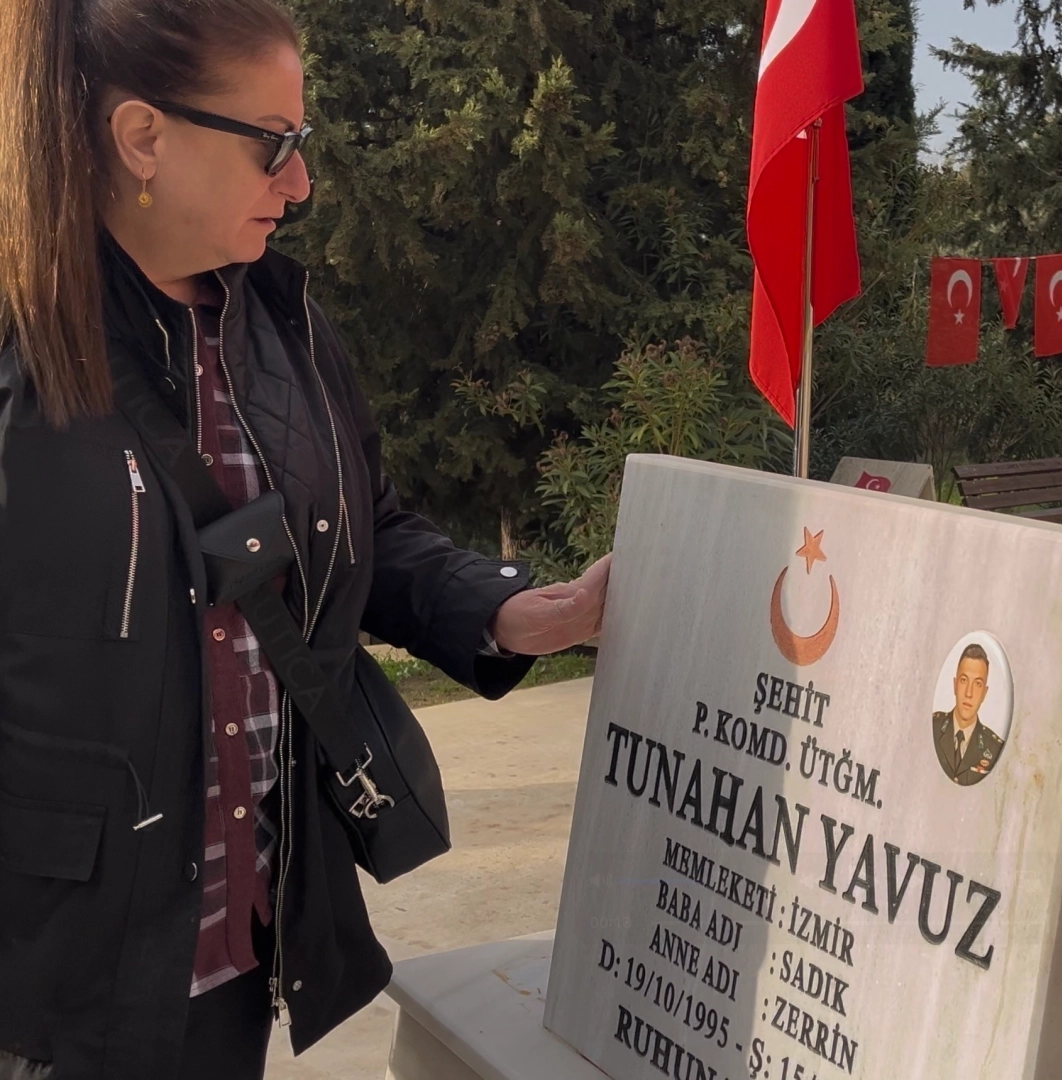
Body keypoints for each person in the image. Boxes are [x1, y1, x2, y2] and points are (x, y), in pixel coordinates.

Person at [0, 1, 610, 1077]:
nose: (302, 183)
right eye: (274, 143)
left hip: (234, 958)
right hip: (49, 988)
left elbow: (367, 529)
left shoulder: (285, 327)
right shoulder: (20, 344)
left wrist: (518, 610)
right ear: (142, 137)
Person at [932, 644, 1005, 785]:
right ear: (955, 685)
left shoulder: (994, 748)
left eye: (977, 684)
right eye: (964, 680)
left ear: (984, 693)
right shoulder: (932, 727)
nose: (969, 693)